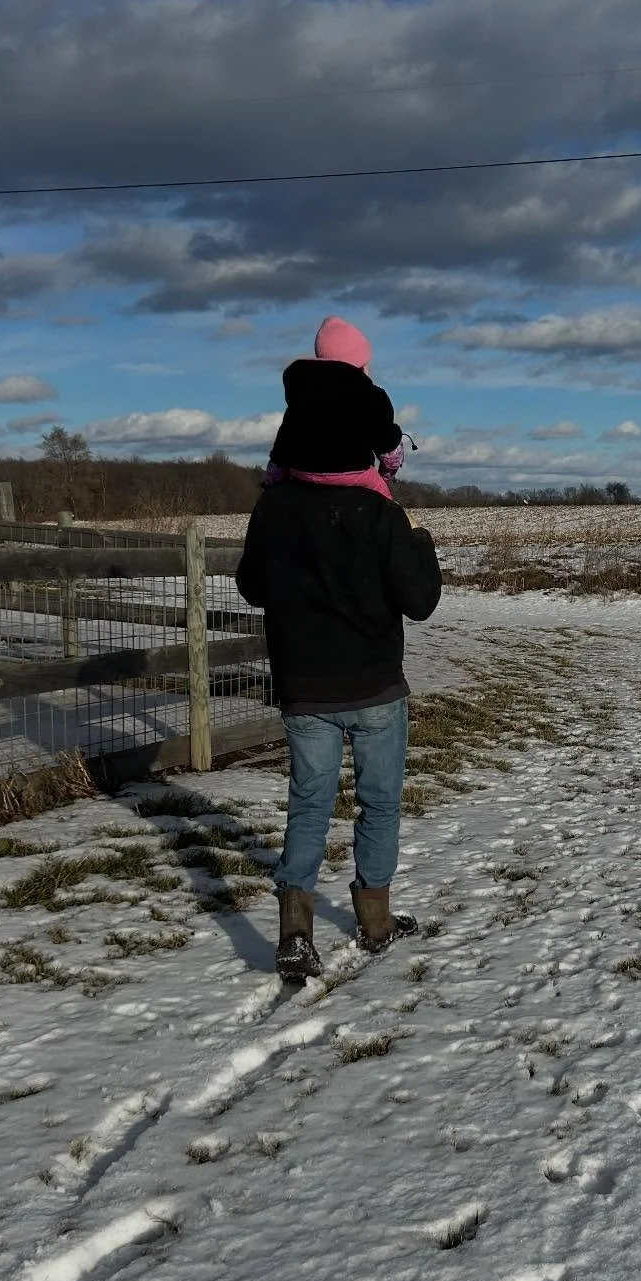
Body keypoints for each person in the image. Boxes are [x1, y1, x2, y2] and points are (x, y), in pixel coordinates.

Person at [237, 316, 441, 981]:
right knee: (379, 804)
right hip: (375, 686)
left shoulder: (273, 509)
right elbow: (420, 599)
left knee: (309, 804)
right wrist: (420, 544)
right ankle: (375, 922)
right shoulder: (380, 513)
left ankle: (295, 930)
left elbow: (251, 587)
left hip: (306, 687)